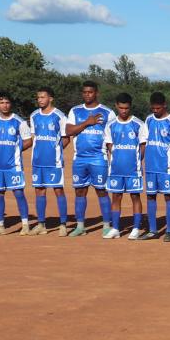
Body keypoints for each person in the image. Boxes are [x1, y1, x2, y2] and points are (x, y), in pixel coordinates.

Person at [65, 80, 112, 235]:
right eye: (84, 92)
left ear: (96, 93)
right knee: (80, 191)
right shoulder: (75, 111)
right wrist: (87, 122)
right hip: (79, 158)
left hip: (99, 157)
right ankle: (80, 226)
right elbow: (69, 131)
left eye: (90, 92)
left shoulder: (107, 112)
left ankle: (106, 226)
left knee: (102, 191)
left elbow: (112, 137)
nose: (87, 95)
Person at [0, 92, 33, 236]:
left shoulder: (19, 121)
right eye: (1, 102)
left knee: (18, 193)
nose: (4, 105)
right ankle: (0, 226)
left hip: (13, 166)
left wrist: (15, 149)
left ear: (10, 104)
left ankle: (25, 225)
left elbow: (28, 140)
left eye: (7, 102)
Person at [103, 93, 147, 240]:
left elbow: (143, 146)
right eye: (121, 108)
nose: (123, 111)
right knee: (116, 196)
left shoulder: (139, 124)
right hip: (115, 169)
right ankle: (115, 228)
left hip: (134, 170)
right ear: (116, 106)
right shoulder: (110, 125)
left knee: (135, 196)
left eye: (126, 108)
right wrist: (118, 157)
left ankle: (135, 228)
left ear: (130, 107)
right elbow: (109, 145)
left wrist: (135, 160)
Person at [29, 86, 69, 235]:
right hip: (37, 160)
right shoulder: (33, 116)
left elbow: (66, 139)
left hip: (54, 161)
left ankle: (63, 224)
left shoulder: (59, 116)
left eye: (43, 97)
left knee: (58, 190)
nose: (40, 100)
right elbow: (35, 137)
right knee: (39, 190)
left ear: (50, 98)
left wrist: (55, 150)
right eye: (38, 97)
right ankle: (41, 224)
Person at [141, 92, 170, 241]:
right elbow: (144, 141)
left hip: (165, 167)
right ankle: (152, 230)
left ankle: (169, 231)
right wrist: (141, 159)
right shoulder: (149, 120)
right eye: (153, 108)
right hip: (150, 165)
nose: (155, 111)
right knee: (150, 196)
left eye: (158, 108)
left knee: (168, 196)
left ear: (164, 105)